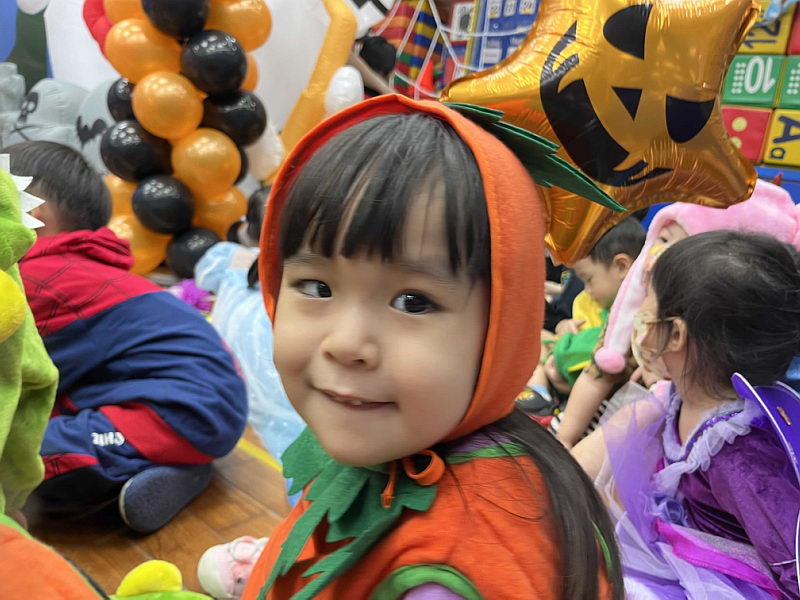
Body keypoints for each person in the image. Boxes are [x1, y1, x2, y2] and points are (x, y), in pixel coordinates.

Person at [201, 95, 624, 600]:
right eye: (316, 287)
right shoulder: (408, 439)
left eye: (412, 301)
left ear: (503, 327)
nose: (346, 343)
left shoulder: (445, 576)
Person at [8, 141, 248, 534]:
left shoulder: (42, 279)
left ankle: (154, 457)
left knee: (16, 456)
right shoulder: (76, 269)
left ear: (31, 214)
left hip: (181, 410)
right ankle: (168, 463)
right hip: (191, 405)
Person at [573, 231, 800, 599]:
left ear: (676, 335)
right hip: (674, 544)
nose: (638, 322)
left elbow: (790, 557)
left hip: (719, 581)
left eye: (646, 312)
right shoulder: (679, 394)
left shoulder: (739, 454)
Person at [556, 180, 800, 448]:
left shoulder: (736, 382)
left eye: (674, 244)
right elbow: (596, 375)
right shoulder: (630, 320)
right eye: (660, 239)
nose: (657, 254)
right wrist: (564, 440)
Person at [195, 186, 305, 463]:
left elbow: (203, 278)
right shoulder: (299, 271)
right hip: (278, 393)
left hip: (225, 382)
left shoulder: (229, 257)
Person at [529, 218, 644, 401]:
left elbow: (571, 356)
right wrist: (564, 326)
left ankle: (538, 398)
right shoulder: (596, 303)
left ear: (622, 266)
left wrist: (561, 344)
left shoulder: (632, 315)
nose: (587, 290)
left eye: (589, 280)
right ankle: (538, 392)